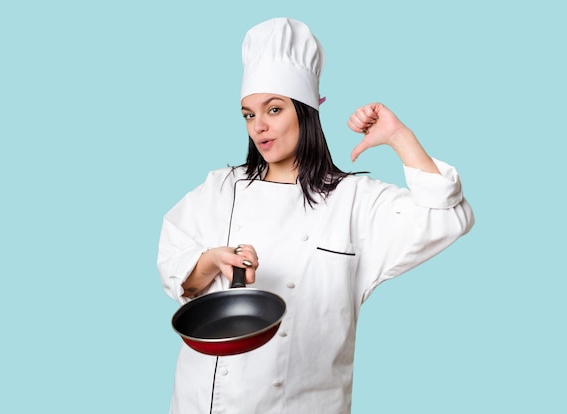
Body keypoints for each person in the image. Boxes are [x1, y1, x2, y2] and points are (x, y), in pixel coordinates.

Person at [157, 17, 474, 413]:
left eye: (273, 109)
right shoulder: (220, 189)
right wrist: (210, 261)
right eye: (248, 114)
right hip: (203, 402)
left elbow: (447, 215)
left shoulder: (352, 201)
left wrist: (398, 137)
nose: (259, 127)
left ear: (306, 111)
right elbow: (173, 262)